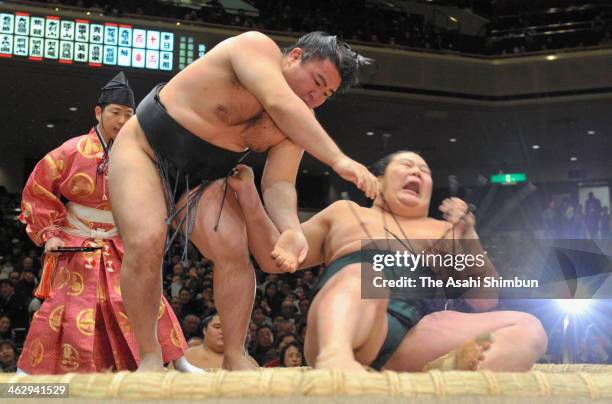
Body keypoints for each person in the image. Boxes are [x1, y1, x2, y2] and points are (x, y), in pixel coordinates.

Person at [108, 31, 378, 371]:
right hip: (146, 149)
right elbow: (279, 102)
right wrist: (339, 160)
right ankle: (149, 356)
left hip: (203, 179)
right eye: (317, 81)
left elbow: (279, 184)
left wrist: (291, 228)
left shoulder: (300, 119)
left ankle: (235, 355)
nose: (316, 96)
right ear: (295, 56)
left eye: (326, 94)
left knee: (234, 249)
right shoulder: (253, 47)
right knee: (147, 241)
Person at [229, 151, 548, 372]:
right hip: (350, 327)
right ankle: (336, 361)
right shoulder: (346, 214)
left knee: (528, 328)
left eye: (424, 172)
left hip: (415, 337)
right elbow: (271, 257)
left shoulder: (445, 231)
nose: (417, 173)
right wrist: (249, 196)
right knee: (365, 276)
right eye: (408, 165)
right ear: (378, 180)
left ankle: (455, 383)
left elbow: (484, 300)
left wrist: (470, 239)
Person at [17, 73, 198, 374]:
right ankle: (30, 370)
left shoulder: (141, 156)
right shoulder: (70, 150)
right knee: (64, 306)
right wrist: (49, 232)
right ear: (99, 112)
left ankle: (178, 359)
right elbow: (38, 189)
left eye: (129, 114)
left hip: (121, 239)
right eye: (116, 112)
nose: (122, 120)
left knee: (145, 297)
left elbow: (154, 196)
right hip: (78, 240)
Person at [180, 311, 257, 369]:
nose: (223, 331)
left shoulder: (248, 361)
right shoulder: (186, 357)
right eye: (217, 327)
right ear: (205, 330)